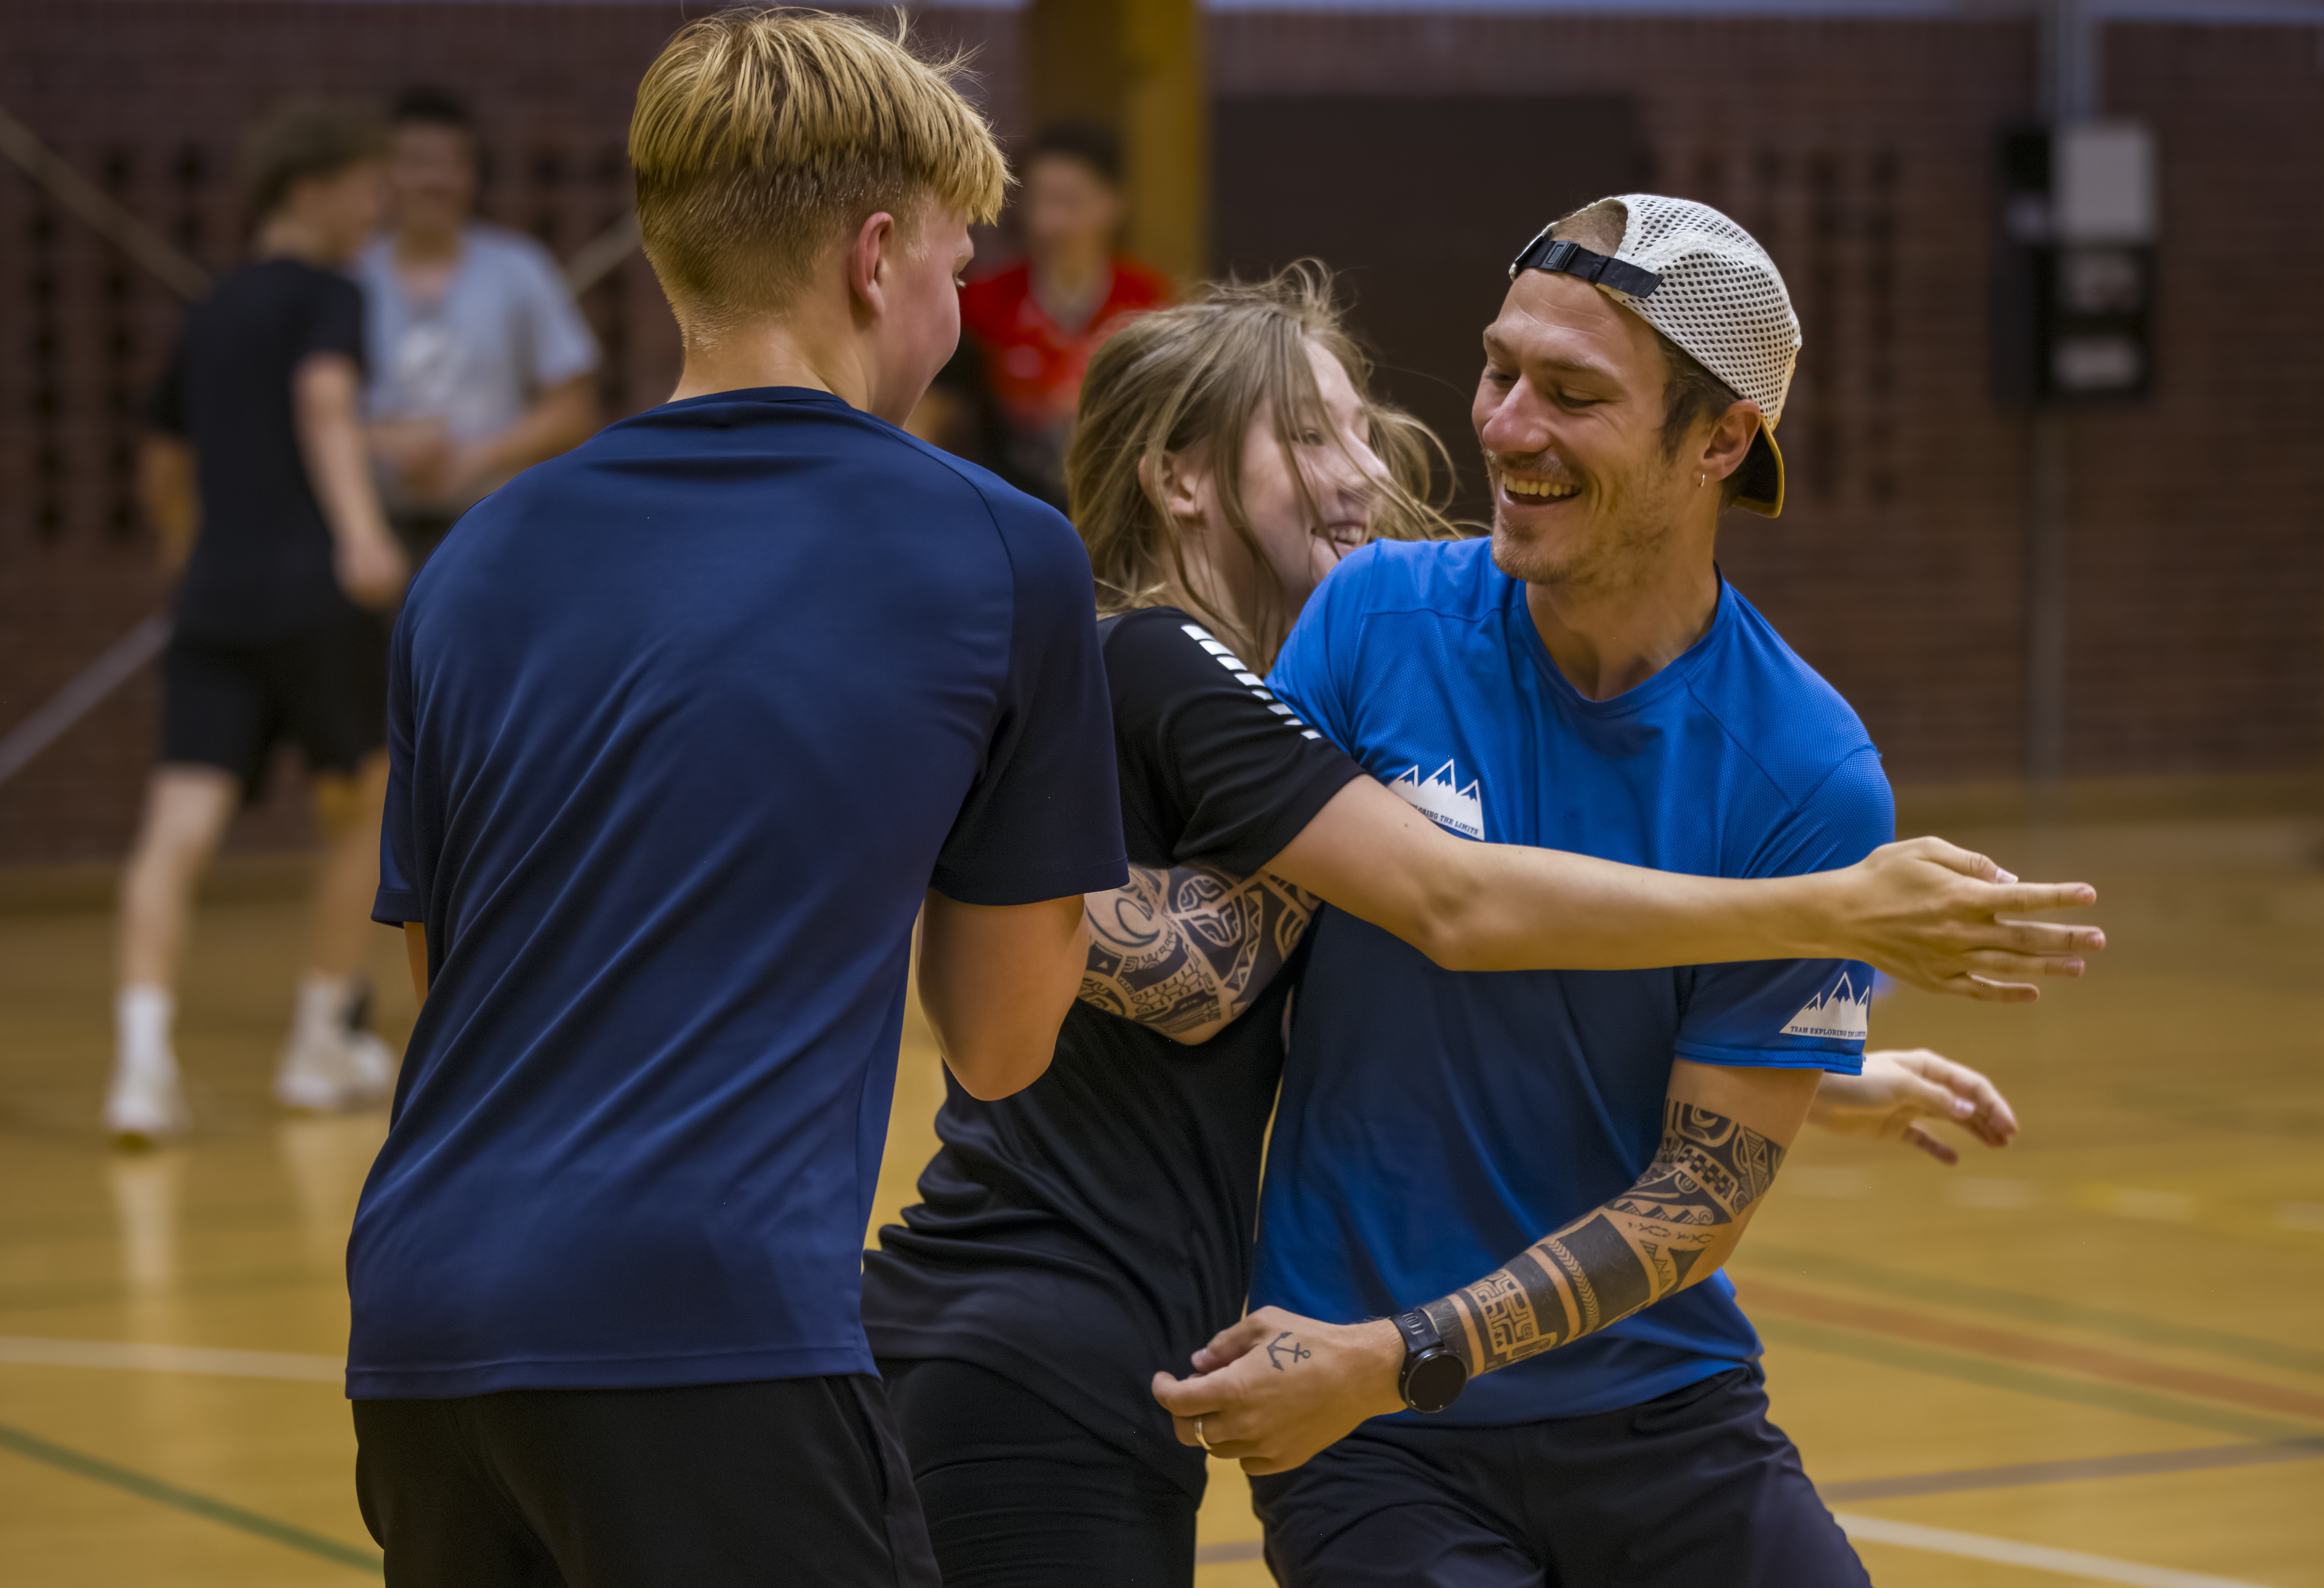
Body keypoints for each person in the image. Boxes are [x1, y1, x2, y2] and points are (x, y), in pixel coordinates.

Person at [862, 268, 2099, 1587]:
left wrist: (1806, 1067)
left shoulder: (1279, 702)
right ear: (1180, 478)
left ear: (1720, 443)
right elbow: (1394, 916)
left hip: (1156, 1352)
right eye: (1312, 436)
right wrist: (1828, 910)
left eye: (1363, 429)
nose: (1377, 470)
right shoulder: (1204, 653)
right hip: (1084, 1344)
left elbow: (1343, 969)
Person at [345, 12, 1122, 1585]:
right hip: (712, 1338)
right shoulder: (998, 548)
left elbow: (453, 987)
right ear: (877, 257)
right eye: (955, 268)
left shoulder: (478, 556)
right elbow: (1001, 1040)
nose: (956, 312)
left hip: (420, 1335)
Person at [1150, 196, 1955, 1586]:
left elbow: (1694, 1196)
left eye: (1572, 395)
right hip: (1364, 1430)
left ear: (1719, 440)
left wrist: (1400, 1350)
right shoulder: (1371, 622)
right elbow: (1238, 956)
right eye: (1497, 369)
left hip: (1655, 1409)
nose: (1507, 427)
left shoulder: (1804, 773)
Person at [103, 102, 409, 1144]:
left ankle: (140, 1068)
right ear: (308, 190)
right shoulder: (330, 294)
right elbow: (325, 400)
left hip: (216, 600)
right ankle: (319, 1042)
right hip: (314, 596)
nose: (377, 212)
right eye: (367, 191)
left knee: (177, 828)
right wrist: (360, 533)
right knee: (367, 805)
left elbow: (163, 462)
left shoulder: (212, 309)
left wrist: (186, 549)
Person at [357, 85, 602, 565]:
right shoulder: (351, 277)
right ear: (384, 172)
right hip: (372, 537)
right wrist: (382, 442)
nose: (435, 180)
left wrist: (475, 456)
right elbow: (310, 412)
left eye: (452, 163)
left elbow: (574, 409)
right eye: (416, 161)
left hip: (493, 525)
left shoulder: (520, 268)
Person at [952, 122, 1170, 502]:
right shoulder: (982, 301)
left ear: (1116, 203)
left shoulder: (1149, 302)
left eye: (1071, 202)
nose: (1052, 222)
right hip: (1007, 495)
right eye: (1040, 201)